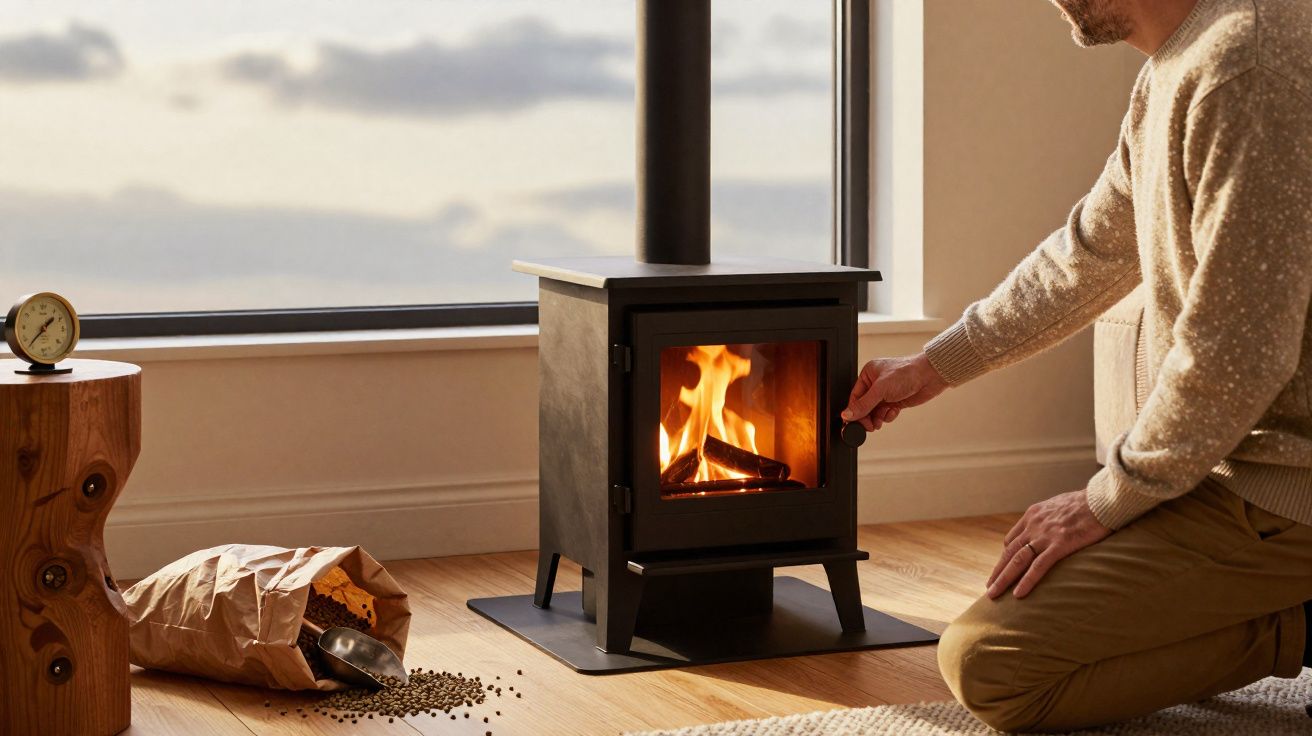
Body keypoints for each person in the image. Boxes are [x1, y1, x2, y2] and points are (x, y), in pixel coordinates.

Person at [842, 0, 1312, 731]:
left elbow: (1238, 353)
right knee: (992, 650)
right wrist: (932, 367)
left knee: (991, 668)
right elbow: (1087, 256)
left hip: (1284, 493)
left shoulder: (1242, 62)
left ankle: (1298, 626)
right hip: (1220, 470)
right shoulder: (1178, 65)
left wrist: (1106, 499)